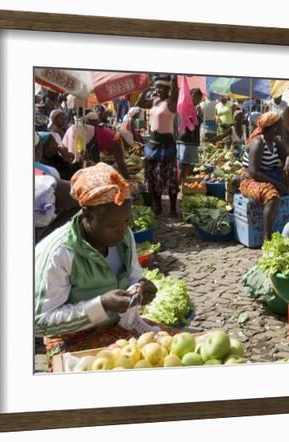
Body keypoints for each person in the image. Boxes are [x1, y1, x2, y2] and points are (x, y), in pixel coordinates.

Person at [34, 163, 159, 370]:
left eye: (126, 221)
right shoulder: (60, 252)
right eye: (112, 225)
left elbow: (134, 275)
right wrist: (101, 305)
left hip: (118, 326)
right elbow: (40, 321)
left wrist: (140, 287)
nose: (122, 230)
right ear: (88, 215)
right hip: (70, 339)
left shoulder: (125, 236)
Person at [236, 111, 289, 242]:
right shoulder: (258, 143)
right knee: (273, 197)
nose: (283, 126)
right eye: (280, 124)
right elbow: (254, 173)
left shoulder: (274, 141)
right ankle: (266, 237)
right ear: (273, 126)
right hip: (251, 180)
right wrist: (277, 184)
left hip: (270, 175)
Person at [136, 75, 179, 216]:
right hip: (152, 144)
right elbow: (139, 103)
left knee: (171, 179)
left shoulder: (171, 102)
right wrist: (146, 87)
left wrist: (174, 76)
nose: (158, 90)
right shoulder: (153, 102)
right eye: (157, 87)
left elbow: (175, 89)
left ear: (168, 89)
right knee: (153, 178)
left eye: (162, 88)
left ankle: (173, 209)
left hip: (166, 145)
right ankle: (158, 206)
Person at [177, 88, 203, 184]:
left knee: (189, 166)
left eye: (199, 98)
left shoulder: (194, 108)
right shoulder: (184, 107)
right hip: (185, 140)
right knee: (184, 166)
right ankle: (181, 186)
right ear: (190, 96)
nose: (197, 100)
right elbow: (188, 123)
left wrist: (198, 116)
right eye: (196, 97)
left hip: (191, 141)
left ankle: (185, 186)